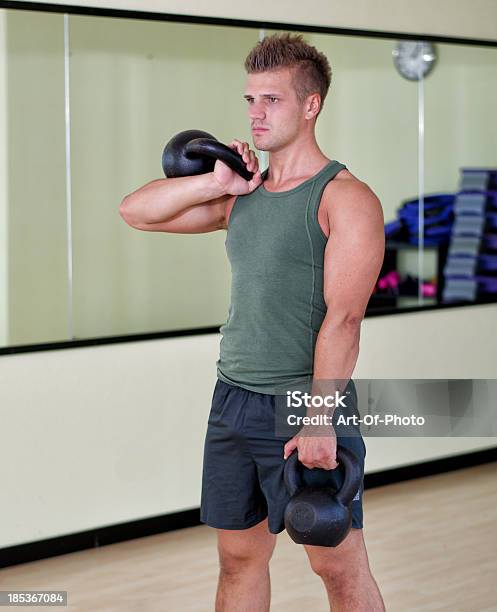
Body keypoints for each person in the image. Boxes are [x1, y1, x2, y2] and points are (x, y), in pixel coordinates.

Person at [120, 33, 385, 612]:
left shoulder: (345, 199)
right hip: (233, 397)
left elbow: (344, 320)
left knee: (337, 566)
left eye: (272, 100)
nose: (256, 114)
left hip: (304, 400)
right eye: (250, 100)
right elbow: (135, 211)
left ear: (311, 105)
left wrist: (320, 420)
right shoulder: (244, 196)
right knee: (238, 559)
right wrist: (215, 183)